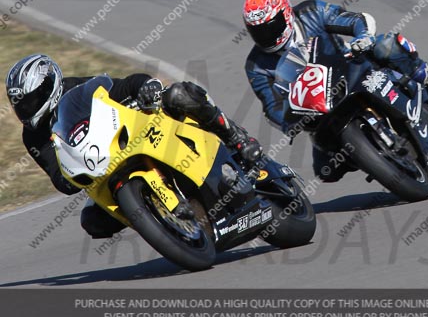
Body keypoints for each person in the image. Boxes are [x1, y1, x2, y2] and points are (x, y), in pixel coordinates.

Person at [6, 55, 261, 239]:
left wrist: (145, 86)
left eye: (30, 100)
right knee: (92, 222)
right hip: (102, 169)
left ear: (49, 87)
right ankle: (154, 215)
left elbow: (123, 85)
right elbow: (58, 176)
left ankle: (233, 135)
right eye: (19, 104)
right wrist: (70, 178)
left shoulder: (76, 87)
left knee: (178, 95)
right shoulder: (33, 137)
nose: (25, 109)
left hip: (132, 133)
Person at [242, 0, 428, 183]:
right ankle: (378, 156)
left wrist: (362, 37)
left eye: (270, 26)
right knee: (327, 170)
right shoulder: (256, 65)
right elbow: (271, 105)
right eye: (258, 31)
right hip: (319, 110)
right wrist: (289, 121)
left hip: (351, 68)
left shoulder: (311, 12)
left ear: (286, 12)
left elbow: (352, 20)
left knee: (388, 46)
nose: (266, 35)